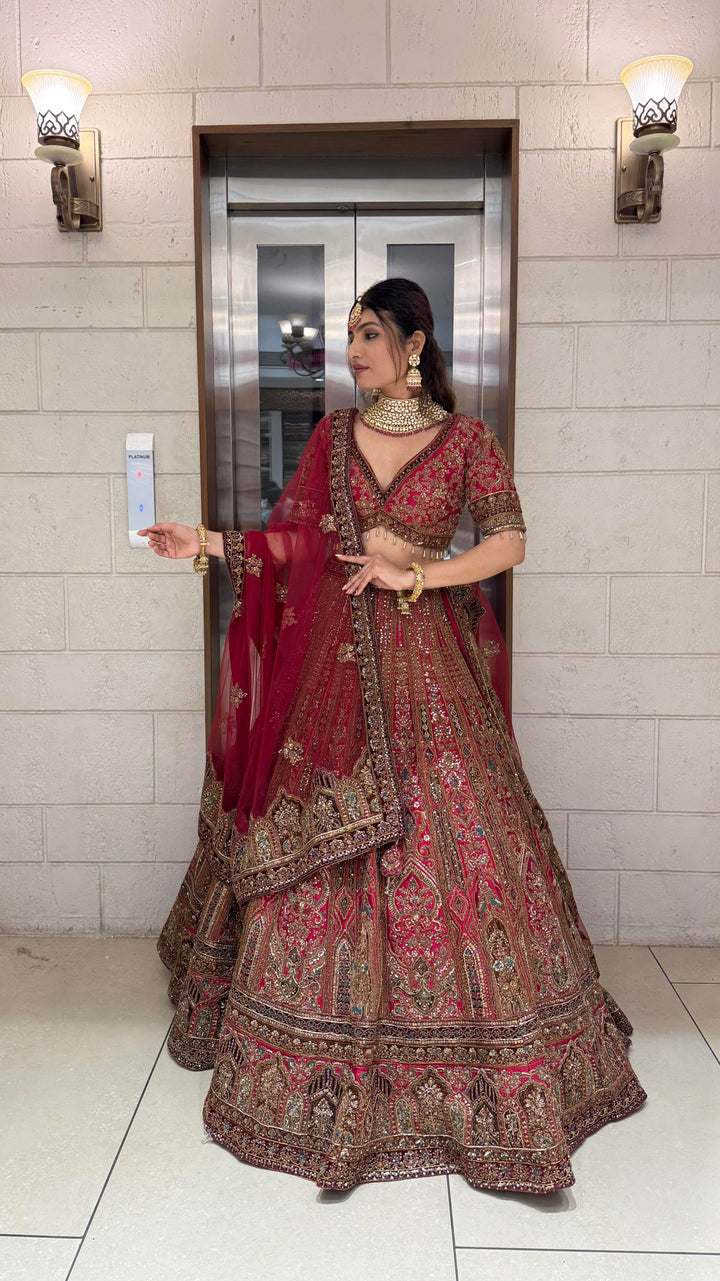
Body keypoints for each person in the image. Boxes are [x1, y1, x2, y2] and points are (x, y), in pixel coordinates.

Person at [139, 277, 647, 1194]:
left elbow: (511, 543)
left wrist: (422, 574)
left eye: (369, 333)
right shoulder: (333, 437)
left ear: (415, 344)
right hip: (332, 670)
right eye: (348, 335)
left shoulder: (465, 442)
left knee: (460, 836)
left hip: (426, 662)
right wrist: (208, 543)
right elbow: (296, 544)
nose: (354, 349)